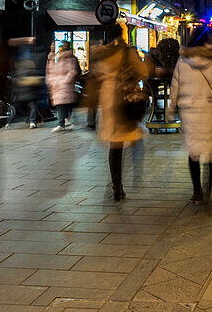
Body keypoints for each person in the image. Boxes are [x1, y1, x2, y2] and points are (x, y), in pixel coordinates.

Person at [91, 23, 149, 201]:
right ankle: (129, 181)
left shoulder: (100, 54)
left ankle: (117, 185)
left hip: (108, 100)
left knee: (114, 146)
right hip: (124, 98)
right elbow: (143, 71)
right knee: (132, 142)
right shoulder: (127, 52)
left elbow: (96, 76)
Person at [170, 27, 212, 206]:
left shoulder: (182, 60)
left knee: (193, 152)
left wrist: (171, 108)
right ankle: (208, 187)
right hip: (211, 110)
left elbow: (175, 86)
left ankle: (197, 192)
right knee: (210, 151)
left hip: (190, 112)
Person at [8, 36, 45, 128]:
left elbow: (11, 41)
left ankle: (10, 122)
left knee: (19, 106)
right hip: (29, 92)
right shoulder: (33, 62)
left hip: (23, 92)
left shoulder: (21, 67)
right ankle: (32, 121)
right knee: (32, 106)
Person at [46, 41, 81, 131]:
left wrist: (62, 81)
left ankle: (62, 123)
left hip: (62, 85)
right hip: (61, 84)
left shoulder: (65, 58)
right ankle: (65, 121)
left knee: (62, 104)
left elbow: (72, 71)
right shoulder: (58, 57)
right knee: (63, 104)